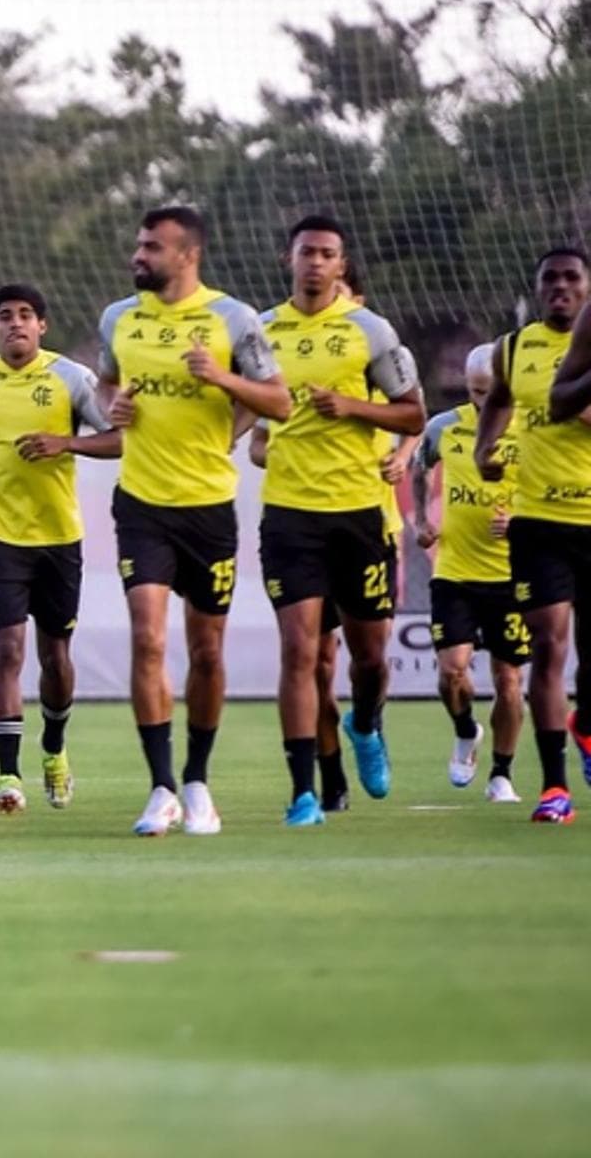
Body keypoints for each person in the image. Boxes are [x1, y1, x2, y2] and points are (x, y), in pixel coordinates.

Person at [98, 206, 290, 837]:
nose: (139, 255)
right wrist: (114, 405)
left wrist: (221, 376)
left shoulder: (232, 319)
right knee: (148, 639)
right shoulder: (119, 319)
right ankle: (160, 789)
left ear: (187, 255)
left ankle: (198, 780)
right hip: (141, 505)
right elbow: (104, 386)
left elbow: (280, 403)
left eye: (151, 246)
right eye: (138, 244)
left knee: (206, 651)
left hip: (208, 508)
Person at [256, 216, 424, 826]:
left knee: (367, 658)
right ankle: (308, 788)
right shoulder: (261, 331)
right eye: (306, 252)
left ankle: (365, 723)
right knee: (304, 654)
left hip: (360, 516)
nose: (316, 263)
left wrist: (351, 406)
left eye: (328, 253)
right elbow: (250, 423)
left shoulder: (369, 330)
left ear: (341, 264)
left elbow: (413, 414)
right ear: (289, 258)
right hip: (289, 517)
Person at [0, 285, 119, 813]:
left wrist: (65, 442)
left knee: (55, 655)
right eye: (5, 317)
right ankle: (8, 776)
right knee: (7, 651)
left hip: (58, 540)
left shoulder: (69, 378)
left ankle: (54, 748)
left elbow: (117, 438)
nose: (15, 324)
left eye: (26, 316)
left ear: (42, 327)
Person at [477, 246, 591, 824]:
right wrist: (482, 450)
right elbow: (497, 398)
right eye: (551, 279)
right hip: (539, 520)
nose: (561, 288)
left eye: (572, 278)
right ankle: (554, 787)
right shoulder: (515, 347)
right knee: (549, 645)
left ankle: (586, 724)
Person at [413, 343, 528, 803]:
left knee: (509, 679)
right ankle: (466, 731)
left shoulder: (532, 431)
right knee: (451, 672)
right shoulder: (445, 427)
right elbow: (418, 467)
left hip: (511, 575)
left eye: (491, 392)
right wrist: (422, 519)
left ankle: (502, 774)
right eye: (475, 392)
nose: (483, 403)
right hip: (455, 571)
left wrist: (518, 522)